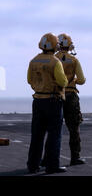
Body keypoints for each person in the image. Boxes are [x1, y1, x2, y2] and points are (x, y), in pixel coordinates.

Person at [27, 33, 68, 174]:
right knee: (54, 135)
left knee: (37, 135)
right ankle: (52, 166)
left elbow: (29, 80)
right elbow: (63, 82)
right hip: (53, 101)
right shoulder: (55, 62)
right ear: (54, 46)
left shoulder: (33, 61)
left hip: (38, 100)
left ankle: (33, 165)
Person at [56, 33, 86, 165]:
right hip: (71, 95)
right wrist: (72, 80)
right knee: (74, 128)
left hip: (55, 95)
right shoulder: (74, 60)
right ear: (69, 45)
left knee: (53, 129)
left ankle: (47, 159)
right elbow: (82, 80)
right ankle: (75, 157)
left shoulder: (52, 59)